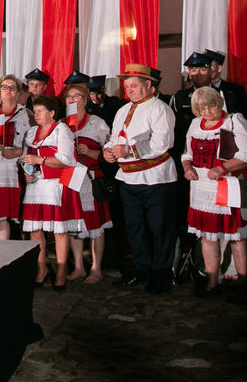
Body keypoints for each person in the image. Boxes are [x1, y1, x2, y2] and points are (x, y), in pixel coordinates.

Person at [102, 64, 178, 294]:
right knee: (134, 227)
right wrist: (108, 151)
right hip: (128, 178)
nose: (129, 91)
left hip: (155, 178)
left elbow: (161, 144)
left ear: (149, 86)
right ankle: (140, 269)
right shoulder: (123, 110)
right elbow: (115, 137)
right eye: (126, 87)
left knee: (159, 227)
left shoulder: (160, 109)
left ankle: (161, 273)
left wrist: (129, 151)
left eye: (134, 86)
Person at [181, 86, 247, 296]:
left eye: (211, 106)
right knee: (208, 236)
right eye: (202, 108)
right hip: (201, 187)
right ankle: (212, 281)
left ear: (218, 103)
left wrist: (222, 168)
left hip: (227, 185)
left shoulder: (234, 121)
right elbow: (186, 154)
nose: (208, 111)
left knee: (236, 236)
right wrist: (187, 168)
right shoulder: (196, 124)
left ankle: (242, 283)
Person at [20, 95, 83, 288]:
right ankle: (42, 268)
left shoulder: (61, 130)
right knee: (35, 229)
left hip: (56, 184)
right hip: (36, 185)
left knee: (59, 230)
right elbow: (25, 157)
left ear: (52, 113)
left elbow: (67, 160)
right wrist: (26, 174)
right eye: (35, 111)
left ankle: (61, 271)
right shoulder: (32, 133)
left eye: (40, 111)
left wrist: (40, 161)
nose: (36, 115)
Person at [64, 83, 111, 284]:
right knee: (74, 223)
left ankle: (96, 268)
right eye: (69, 96)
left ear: (85, 100)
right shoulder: (61, 124)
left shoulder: (97, 123)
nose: (72, 100)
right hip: (69, 176)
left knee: (95, 224)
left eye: (77, 96)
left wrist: (90, 152)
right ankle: (78, 266)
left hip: (91, 176)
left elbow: (110, 153)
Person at [0, 75, 29, 239]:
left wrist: (17, 152)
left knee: (19, 213)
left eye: (12, 88)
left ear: (18, 93)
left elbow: (33, 142)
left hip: (16, 167)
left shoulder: (26, 114)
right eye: (4, 87)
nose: (8, 91)